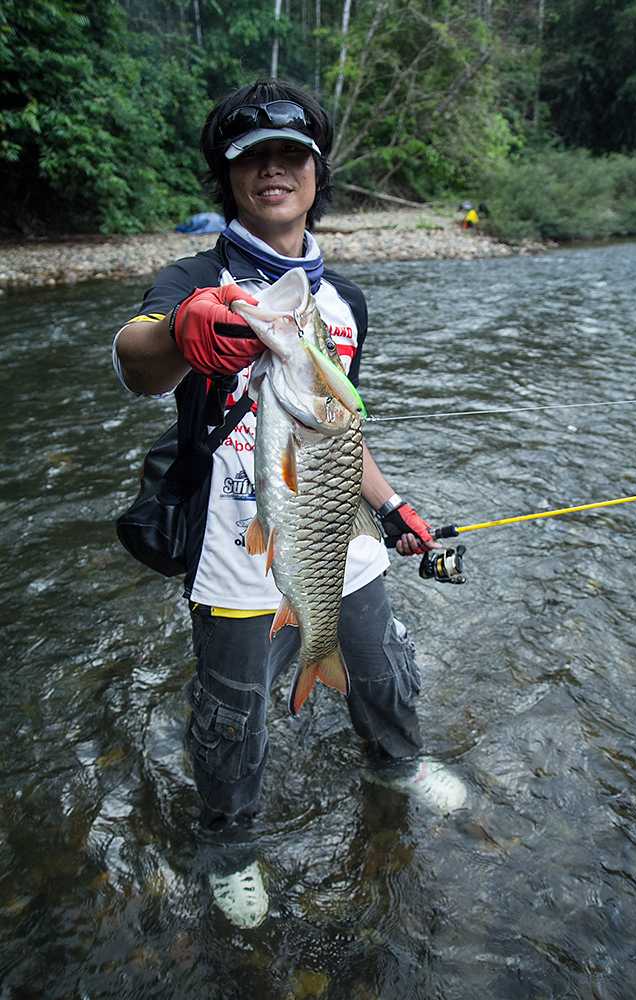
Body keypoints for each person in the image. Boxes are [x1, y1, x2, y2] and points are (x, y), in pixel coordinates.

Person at [113, 79, 466, 929]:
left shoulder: (344, 299)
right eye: (252, 158)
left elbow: (338, 424)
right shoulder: (194, 276)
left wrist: (393, 507)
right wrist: (178, 332)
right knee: (235, 715)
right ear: (227, 177)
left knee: (381, 670)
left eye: (291, 156)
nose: (273, 170)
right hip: (235, 549)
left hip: (338, 528)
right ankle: (230, 841)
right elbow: (136, 361)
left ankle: (396, 765)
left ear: (315, 173)